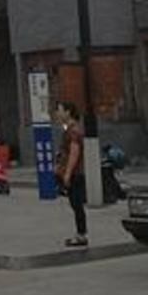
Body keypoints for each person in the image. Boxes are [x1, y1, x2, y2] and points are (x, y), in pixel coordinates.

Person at [55, 101, 87, 248]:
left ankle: (81, 235)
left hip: (75, 173)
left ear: (68, 112)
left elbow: (74, 152)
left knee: (77, 204)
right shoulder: (69, 129)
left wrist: (67, 174)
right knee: (75, 204)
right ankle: (80, 234)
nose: (57, 113)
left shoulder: (73, 130)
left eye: (60, 110)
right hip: (74, 172)